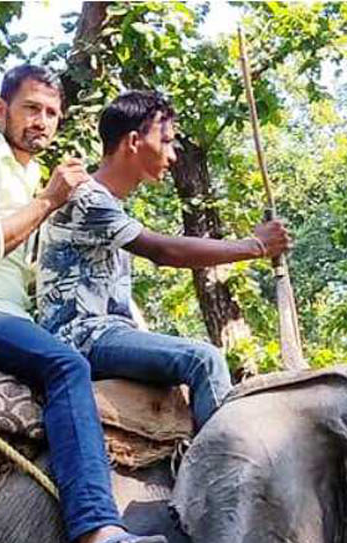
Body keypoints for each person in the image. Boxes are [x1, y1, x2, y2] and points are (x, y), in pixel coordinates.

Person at [0, 64, 164, 543]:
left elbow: (38, 272)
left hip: (11, 315)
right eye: (31, 108)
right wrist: (50, 200)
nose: (42, 121)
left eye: (52, 113)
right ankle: (94, 529)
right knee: (66, 366)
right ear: (1, 111)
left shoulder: (30, 176)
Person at [37, 90, 291, 429]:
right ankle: (226, 474)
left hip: (105, 333)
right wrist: (255, 246)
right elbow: (163, 251)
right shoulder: (88, 198)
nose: (172, 156)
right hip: (82, 337)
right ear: (132, 141)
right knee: (204, 360)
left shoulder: (110, 203)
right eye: (166, 141)